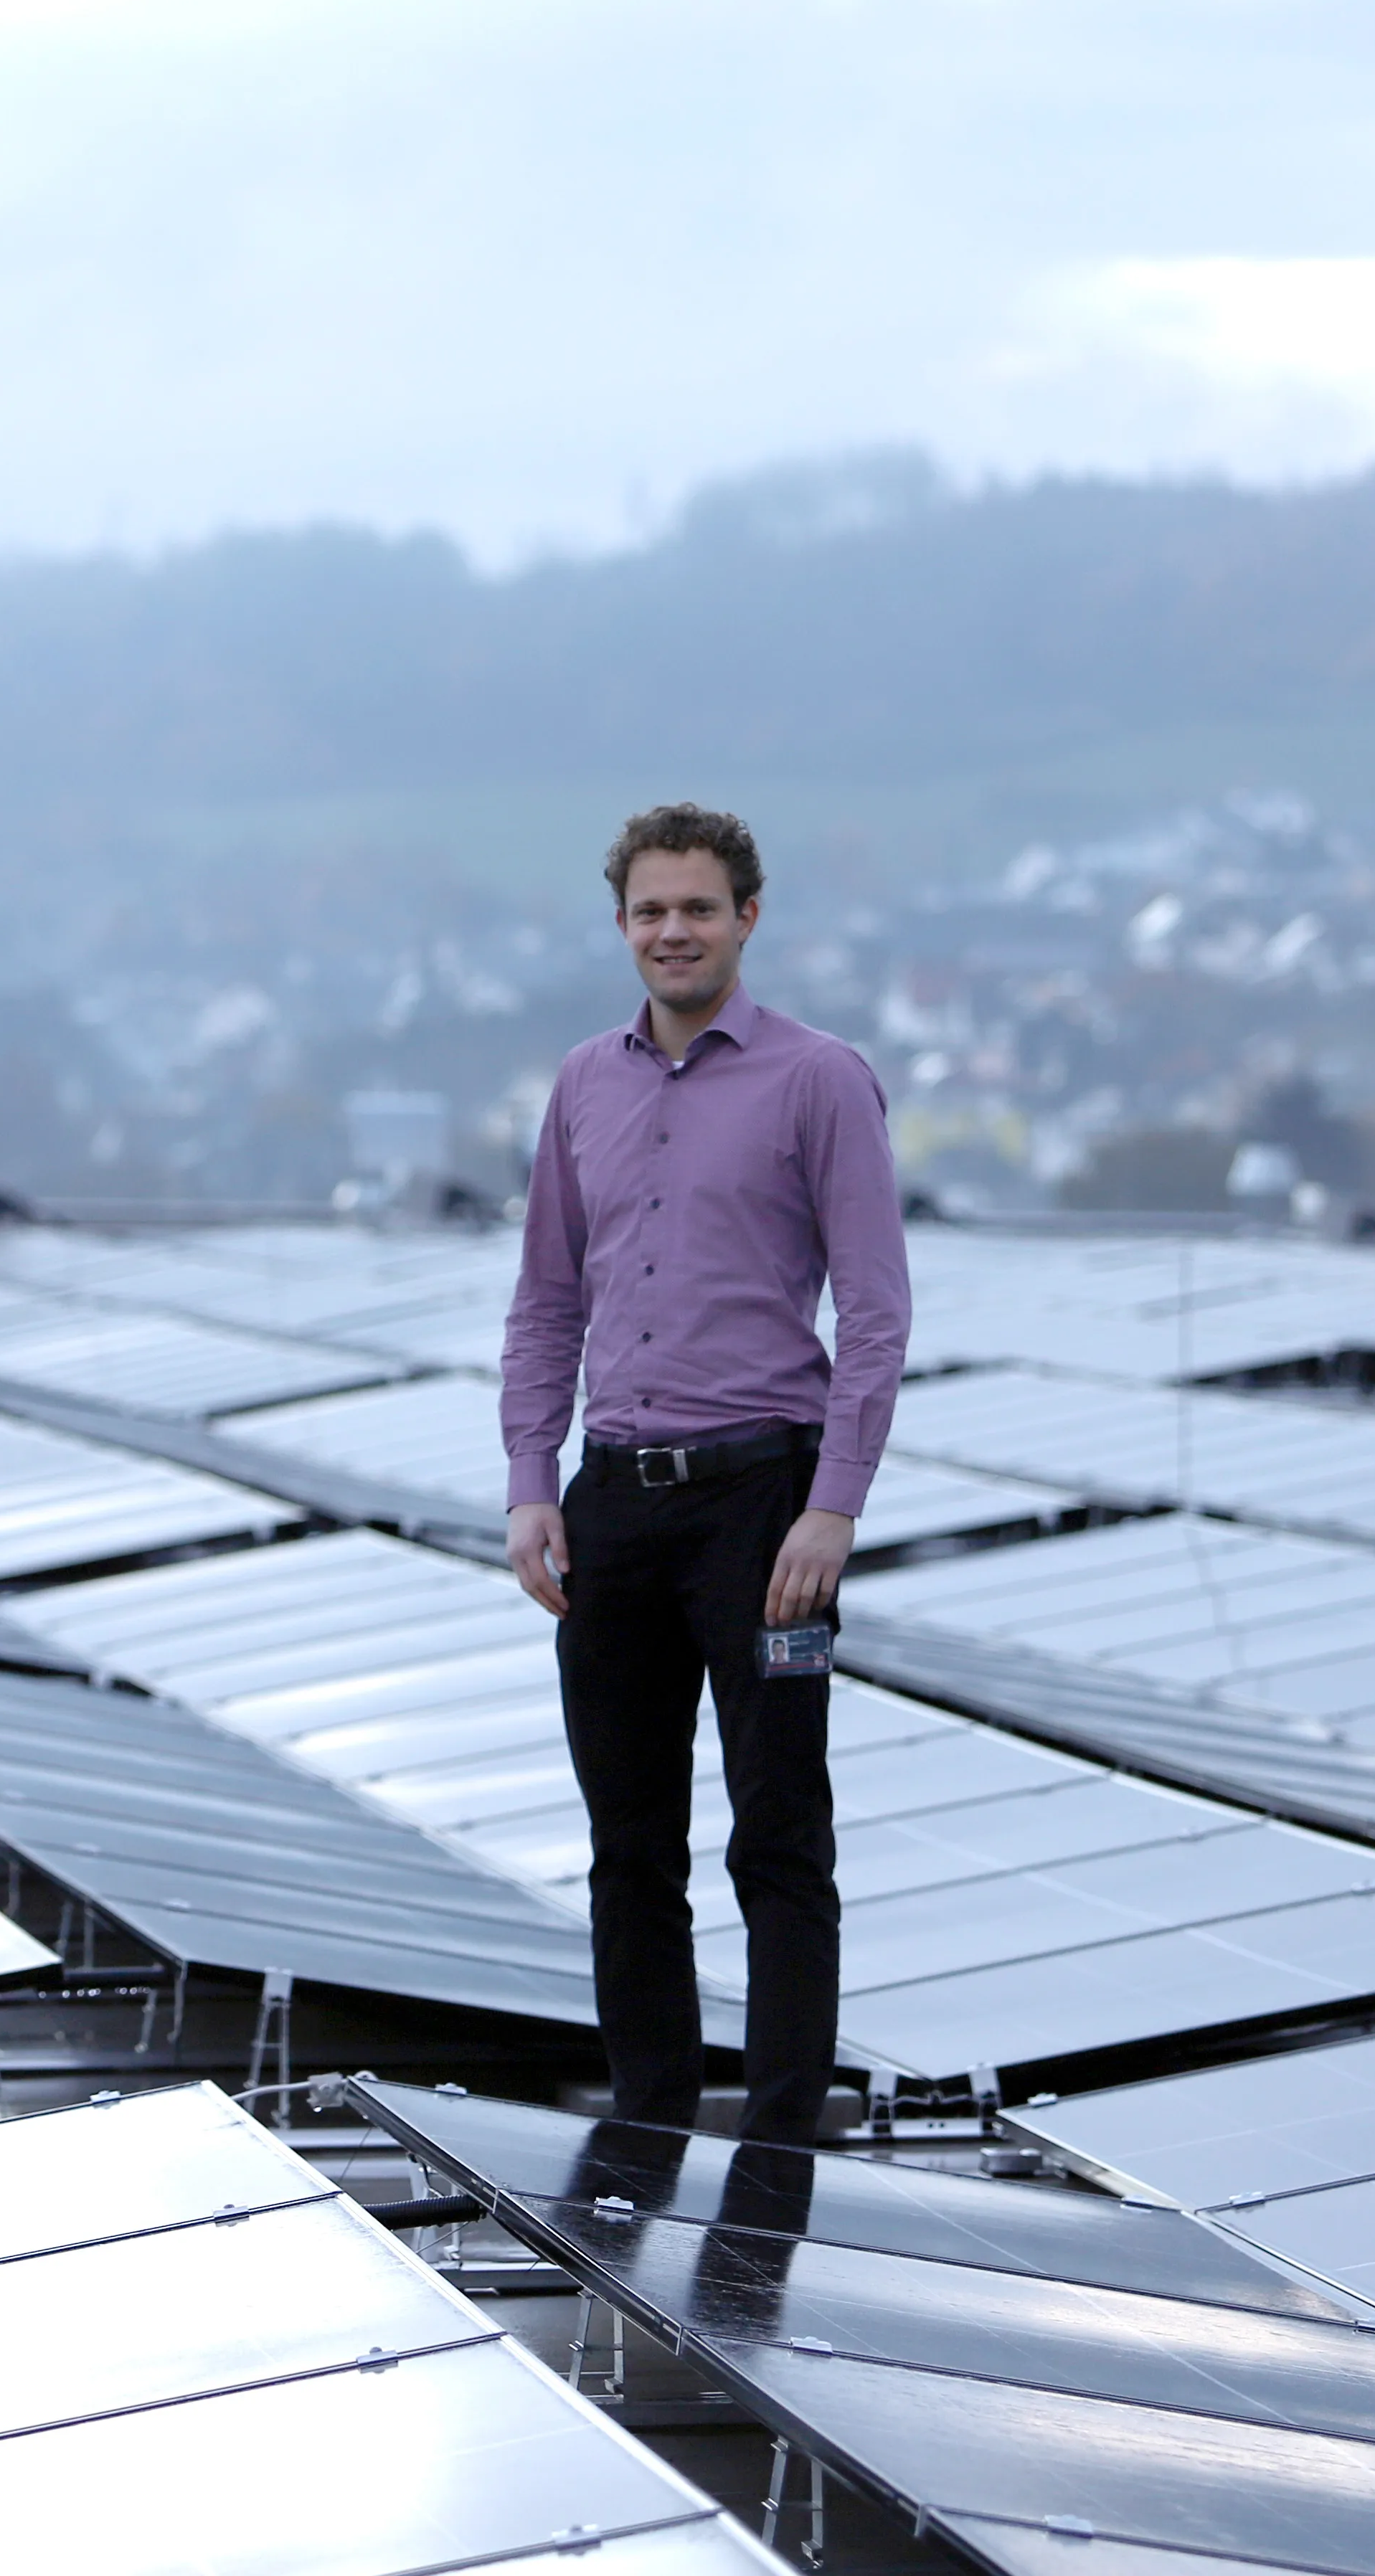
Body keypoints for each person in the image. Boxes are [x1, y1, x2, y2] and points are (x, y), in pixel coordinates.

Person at [502, 801, 910, 2145]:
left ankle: (785, 2152)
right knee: (631, 1852)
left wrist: (834, 1507)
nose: (672, 931)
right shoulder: (583, 1085)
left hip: (765, 1509)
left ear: (748, 915)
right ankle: (651, 2135)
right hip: (615, 1505)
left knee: (780, 1844)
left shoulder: (820, 1079)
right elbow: (545, 1302)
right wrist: (530, 1480)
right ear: (622, 925)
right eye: (648, 912)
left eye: (698, 907)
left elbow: (877, 1309)